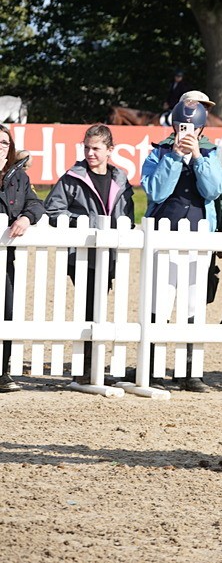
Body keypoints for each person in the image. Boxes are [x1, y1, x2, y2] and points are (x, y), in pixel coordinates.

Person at [141, 90, 222, 391]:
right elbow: (156, 191)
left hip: (199, 234)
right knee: (161, 300)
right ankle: (152, 367)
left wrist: (197, 157)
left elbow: (215, 189)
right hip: (165, 234)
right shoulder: (159, 151)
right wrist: (176, 158)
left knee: (194, 302)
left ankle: (190, 370)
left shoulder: (213, 152)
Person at [44, 125, 136, 382]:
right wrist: (85, 223)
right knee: (89, 309)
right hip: (83, 255)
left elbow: (127, 214)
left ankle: (93, 364)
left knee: (100, 308)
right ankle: (86, 367)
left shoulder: (120, 178)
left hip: (111, 254)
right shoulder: (72, 178)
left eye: (96, 148)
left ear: (110, 150)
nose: (90, 153)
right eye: (87, 148)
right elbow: (52, 211)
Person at [0, 124, 45, 392]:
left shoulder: (18, 178)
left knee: (6, 312)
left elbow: (36, 203)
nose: (0, 147)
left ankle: (2, 371)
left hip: (5, 257)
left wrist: (27, 217)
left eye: (5, 143)